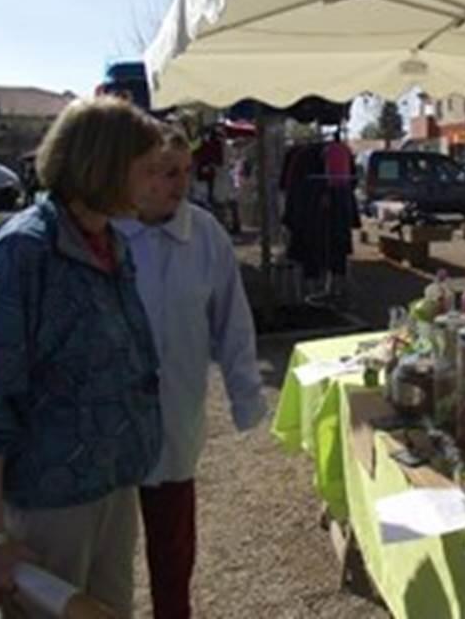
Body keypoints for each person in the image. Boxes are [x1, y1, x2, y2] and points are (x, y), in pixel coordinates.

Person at [0, 96, 164, 617]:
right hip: (51, 504)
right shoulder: (22, 254)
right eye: (146, 170)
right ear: (105, 168)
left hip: (111, 485)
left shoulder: (110, 243)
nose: (155, 182)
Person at [113, 125, 266, 619]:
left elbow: (232, 320)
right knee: (107, 554)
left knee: (173, 547)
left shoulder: (204, 233)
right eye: (163, 172)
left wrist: (246, 395)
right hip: (108, 421)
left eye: (183, 171)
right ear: (135, 173)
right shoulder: (107, 233)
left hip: (177, 410)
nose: (179, 183)